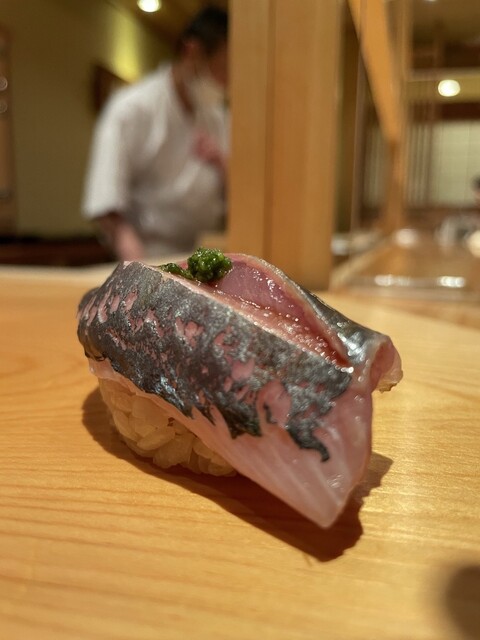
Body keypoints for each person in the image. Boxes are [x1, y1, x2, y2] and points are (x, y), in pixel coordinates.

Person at [82, 6, 229, 261]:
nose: (227, 82)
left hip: (209, 254)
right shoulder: (131, 108)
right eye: (223, 68)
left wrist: (222, 162)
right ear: (192, 51)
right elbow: (107, 205)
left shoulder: (217, 118)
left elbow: (241, 195)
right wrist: (142, 268)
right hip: (150, 254)